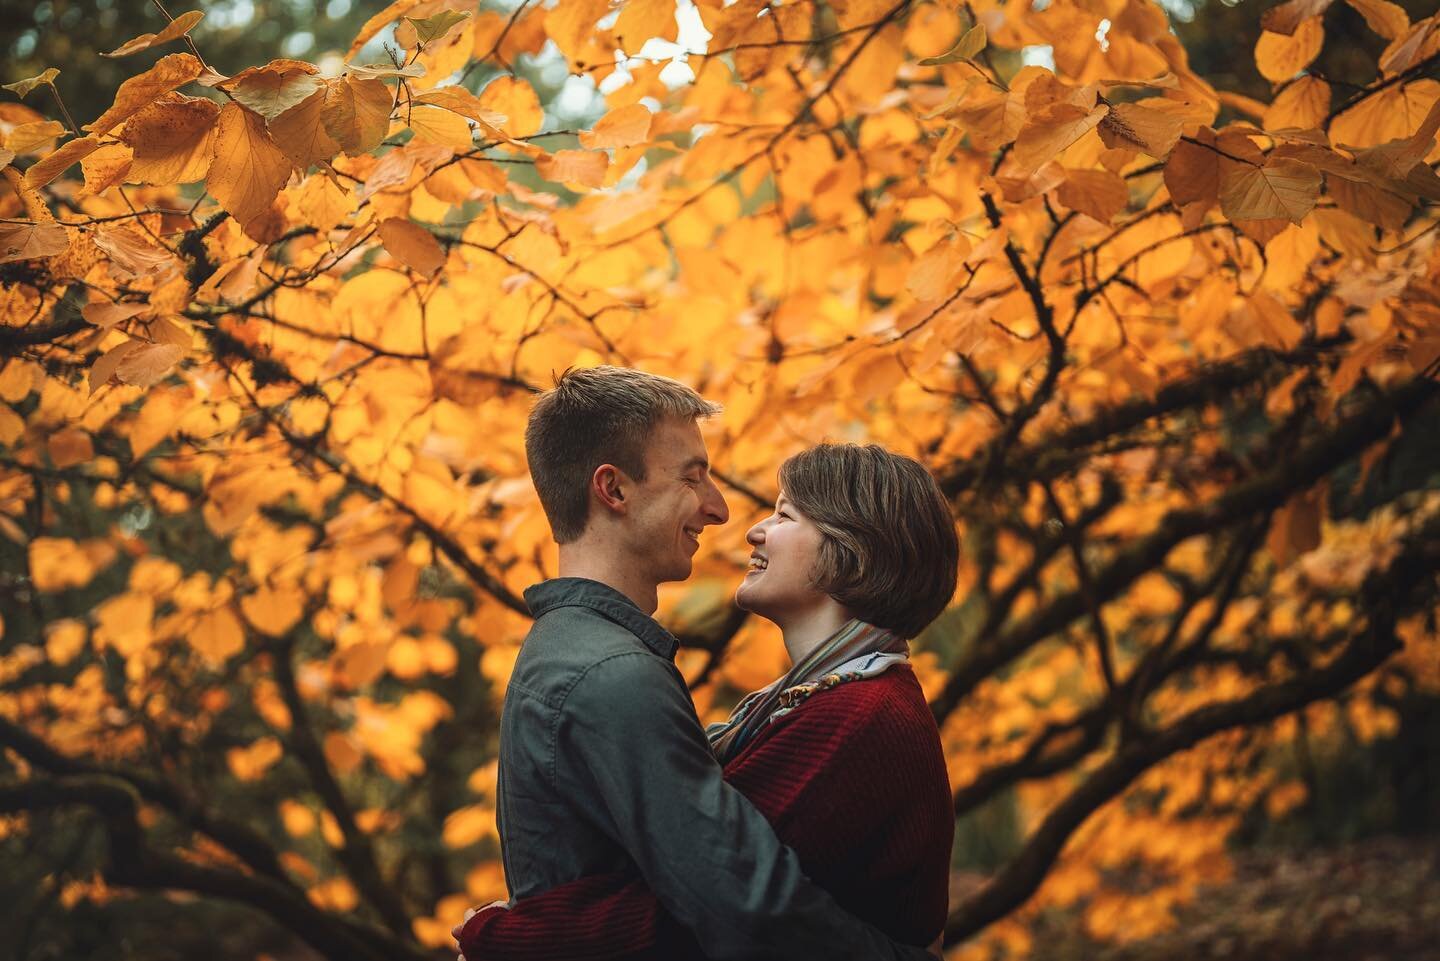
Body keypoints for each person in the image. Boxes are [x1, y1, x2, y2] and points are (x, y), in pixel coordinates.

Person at [457, 426, 960, 960]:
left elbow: (714, 912)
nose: (755, 531)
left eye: (786, 516)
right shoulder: (823, 703)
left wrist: (508, 936)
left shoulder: (861, 717)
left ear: (852, 552)